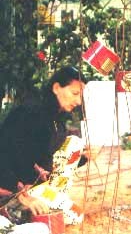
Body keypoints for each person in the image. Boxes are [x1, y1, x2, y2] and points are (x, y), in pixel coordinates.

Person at [0, 66, 88, 225]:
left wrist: (83, 157)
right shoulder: (30, 113)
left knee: (75, 143)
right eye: (75, 93)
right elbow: (4, 152)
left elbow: (37, 155)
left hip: (30, 185)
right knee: (72, 216)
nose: (78, 101)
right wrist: (20, 194)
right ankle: (10, 208)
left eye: (80, 95)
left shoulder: (56, 120)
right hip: (10, 186)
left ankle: (27, 205)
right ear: (56, 88)